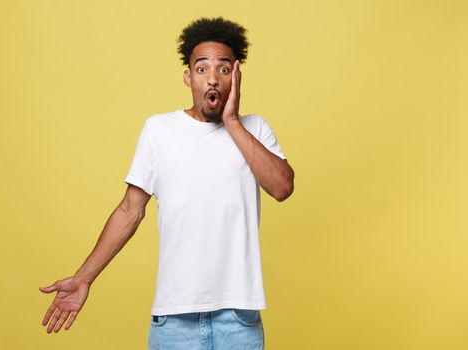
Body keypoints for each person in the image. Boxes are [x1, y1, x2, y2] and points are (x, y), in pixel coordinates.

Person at [39, 17, 295, 349]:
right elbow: (130, 210)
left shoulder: (254, 129)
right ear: (188, 77)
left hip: (238, 319)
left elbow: (281, 187)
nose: (213, 79)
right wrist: (84, 277)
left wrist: (231, 121)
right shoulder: (159, 131)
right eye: (202, 69)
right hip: (174, 321)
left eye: (224, 69)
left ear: (237, 75)